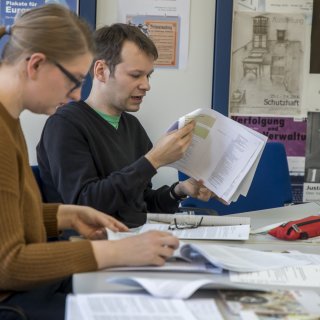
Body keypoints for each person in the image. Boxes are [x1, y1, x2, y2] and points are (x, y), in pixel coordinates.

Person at [0, 5, 179, 320]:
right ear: (36, 65)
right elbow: (8, 264)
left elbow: (9, 220)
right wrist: (116, 251)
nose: (73, 95)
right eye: (73, 81)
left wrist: (63, 215)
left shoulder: (10, 121)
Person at [37, 23, 214, 229]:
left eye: (148, 76)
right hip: (87, 246)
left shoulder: (131, 126)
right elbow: (84, 206)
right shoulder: (64, 125)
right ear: (101, 71)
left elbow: (138, 204)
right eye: (135, 75)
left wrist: (179, 190)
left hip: (133, 238)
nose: (146, 85)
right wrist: (153, 160)